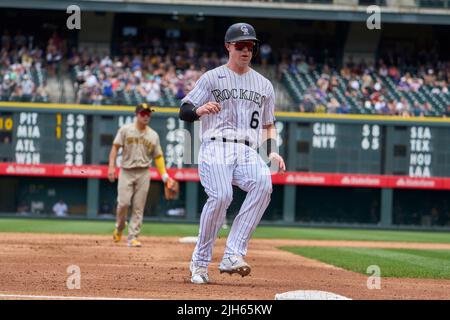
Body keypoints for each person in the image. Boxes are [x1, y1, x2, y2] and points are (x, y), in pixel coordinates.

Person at [179, 22, 285, 284]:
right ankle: (200, 263)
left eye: (251, 46)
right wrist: (199, 110)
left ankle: (232, 254)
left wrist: (272, 152)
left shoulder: (264, 85)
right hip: (215, 145)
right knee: (222, 195)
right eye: (240, 45)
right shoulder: (212, 77)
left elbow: (268, 125)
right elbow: (184, 110)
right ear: (228, 46)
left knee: (263, 183)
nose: (246, 50)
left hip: (247, 149)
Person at [108, 103, 178, 247]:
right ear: (137, 114)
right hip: (126, 171)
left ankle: (133, 236)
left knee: (138, 207)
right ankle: (120, 227)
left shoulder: (153, 135)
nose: (146, 116)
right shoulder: (125, 130)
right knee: (123, 204)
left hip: (143, 172)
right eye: (143, 113)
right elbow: (115, 148)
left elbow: (158, 156)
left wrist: (165, 175)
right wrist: (111, 166)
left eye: (148, 114)